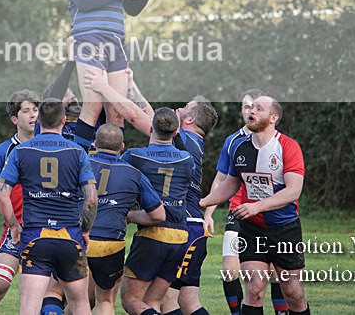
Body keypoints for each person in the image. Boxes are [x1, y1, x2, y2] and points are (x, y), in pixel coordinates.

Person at [199, 96, 310, 315]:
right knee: (255, 290)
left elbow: (293, 191)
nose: (252, 111)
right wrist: (202, 202)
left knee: (293, 293)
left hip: (284, 229)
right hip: (251, 229)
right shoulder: (240, 147)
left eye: (259, 108)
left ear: (273, 118)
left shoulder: (288, 146)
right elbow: (230, 184)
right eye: (250, 107)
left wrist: (258, 206)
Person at [62, 0, 156, 148]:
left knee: (116, 111)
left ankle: (113, 166)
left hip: (116, 40)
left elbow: (132, 10)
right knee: (92, 106)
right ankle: (79, 161)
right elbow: (82, 2)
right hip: (89, 38)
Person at [0, 99, 97, 315]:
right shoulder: (78, 152)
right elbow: (91, 200)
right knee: (80, 303)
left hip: (35, 236)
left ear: (39, 120)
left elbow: (2, 196)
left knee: (30, 305)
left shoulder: (20, 151)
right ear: (63, 120)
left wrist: (14, 225)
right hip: (70, 236)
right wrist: (86, 229)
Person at [0, 89, 41, 315]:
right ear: (15, 118)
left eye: (36, 109)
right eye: (26, 110)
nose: (33, 115)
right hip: (15, 231)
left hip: (49, 230)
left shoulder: (52, 146)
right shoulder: (3, 152)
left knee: (55, 296)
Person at [120, 108, 193, 315]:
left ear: (151, 128)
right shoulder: (186, 159)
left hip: (152, 234)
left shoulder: (134, 156)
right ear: (176, 131)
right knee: (152, 300)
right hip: (179, 236)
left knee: (131, 299)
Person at [87, 124, 165, 315]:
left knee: (76, 298)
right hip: (111, 241)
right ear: (122, 146)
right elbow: (158, 215)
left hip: (78, 238)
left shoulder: (80, 163)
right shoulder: (133, 173)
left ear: (95, 144)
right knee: (105, 300)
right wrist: (128, 216)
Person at [160, 96, 219, 315]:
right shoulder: (192, 141)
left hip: (187, 228)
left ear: (190, 118)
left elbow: (147, 117)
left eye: (185, 107)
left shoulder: (183, 137)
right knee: (188, 300)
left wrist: (128, 85)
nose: (179, 107)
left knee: (167, 299)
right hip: (195, 227)